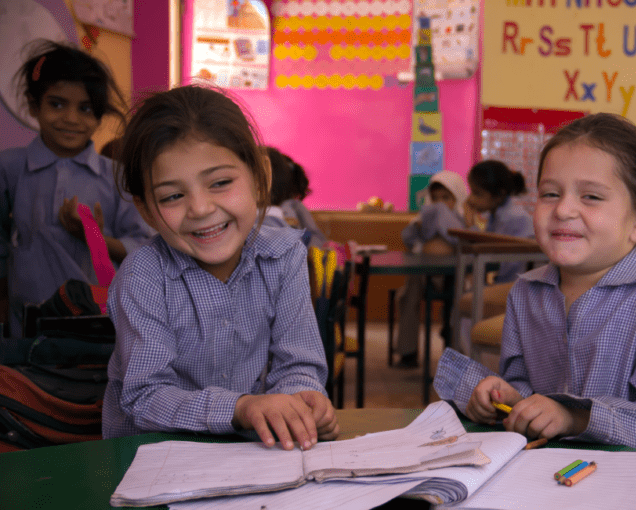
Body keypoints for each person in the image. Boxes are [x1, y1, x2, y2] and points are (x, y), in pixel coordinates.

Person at [433, 113, 636, 460]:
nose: (563, 209)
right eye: (550, 193)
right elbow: (524, 385)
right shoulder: (526, 294)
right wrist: (509, 398)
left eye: (591, 197)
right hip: (541, 477)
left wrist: (576, 418)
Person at [103, 85, 339, 450]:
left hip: (246, 458)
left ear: (260, 176)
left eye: (221, 183)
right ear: (146, 208)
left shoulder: (284, 256)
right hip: (153, 464)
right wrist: (240, 408)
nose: (200, 208)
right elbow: (145, 397)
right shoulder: (142, 277)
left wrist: (299, 401)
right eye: (173, 196)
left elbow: (299, 365)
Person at [0, 40, 153, 337]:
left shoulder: (117, 176)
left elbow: (143, 247)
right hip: (25, 322)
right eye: (56, 104)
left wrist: (94, 236)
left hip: (98, 325)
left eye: (85, 108)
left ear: (99, 116)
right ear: (34, 106)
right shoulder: (10, 167)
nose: (71, 119)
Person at [395, 171, 469, 368]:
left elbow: (470, 242)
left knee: (463, 300)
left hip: (455, 275)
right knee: (407, 295)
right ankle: (407, 351)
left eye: (446, 198)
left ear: (457, 197)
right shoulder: (423, 218)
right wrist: (420, 226)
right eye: (435, 198)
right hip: (423, 273)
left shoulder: (464, 219)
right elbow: (408, 239)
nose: (439, 204)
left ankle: (456, 347)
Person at [465, 160, 534, 283]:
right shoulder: (496, 214)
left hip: (515, 287)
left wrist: (470, 224)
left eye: (477, 193)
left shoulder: (512, 218)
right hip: (508, 282)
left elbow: (487, 252)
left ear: (499, 195)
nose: (470, 199)